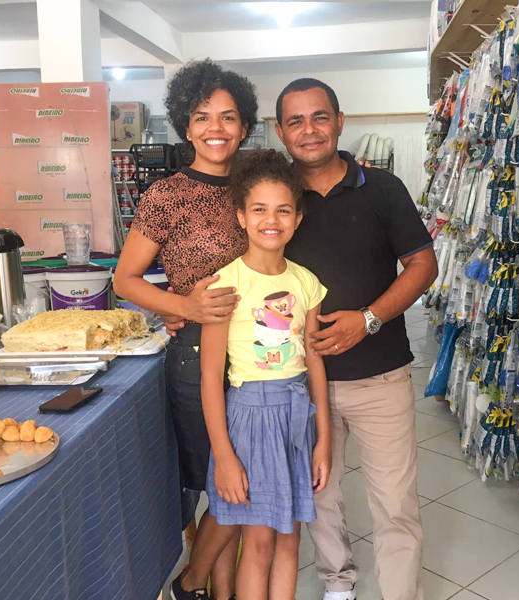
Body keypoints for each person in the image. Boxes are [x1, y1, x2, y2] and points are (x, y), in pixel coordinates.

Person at [275, 78, 439, 600]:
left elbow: (422, 264)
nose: (309, 130)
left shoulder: (383, 188)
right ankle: (337, 582)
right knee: (321, 494)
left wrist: (367, 319)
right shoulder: (275, 199)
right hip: (300, 380)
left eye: (319, 117)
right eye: (296, 121)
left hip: (380, 377)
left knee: (394, 502)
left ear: (340, 122)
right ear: (281, 132)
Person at [113, 59, 258, 600]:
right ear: (185, 125)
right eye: (202, 117)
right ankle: (202, 586)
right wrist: (184, 305)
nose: (215, 129)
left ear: (244, 125)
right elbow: (125, 279)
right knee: (223, 484)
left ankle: (202, 585)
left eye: (227, 117)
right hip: (200, 356)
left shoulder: (259, 183)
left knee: (249, 479)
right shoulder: (165, 196)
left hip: (265, 351)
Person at [200, 149, 331, 600]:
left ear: (297, 218)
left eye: (282, 210)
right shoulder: (222, 285)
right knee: (257, 541)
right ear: (240, 216)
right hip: (249, 419)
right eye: (258, 209)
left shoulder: (307, 283)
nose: (270, 220)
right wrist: (225, 455)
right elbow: (210, 377)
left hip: (296, 418)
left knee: (291, 537)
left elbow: (314, 361)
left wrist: (325, 441)